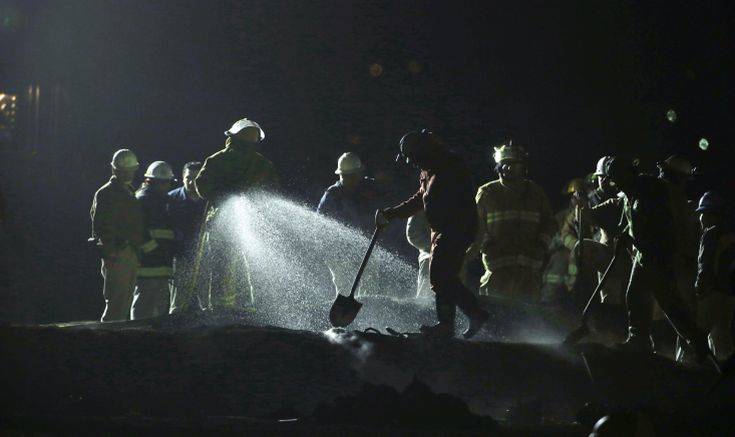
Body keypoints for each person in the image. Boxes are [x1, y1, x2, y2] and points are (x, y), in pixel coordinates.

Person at [592, 157, 709, 360]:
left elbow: (656, 225)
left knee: (669, 303)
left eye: (618, 178)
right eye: (614, 179)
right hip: (644, 255)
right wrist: (624, 233)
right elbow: (631, 218)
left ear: (628, 174)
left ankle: (699, 344)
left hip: (658, 256)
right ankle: (640, 340)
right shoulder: (632, 190)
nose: (616, 183)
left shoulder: (649, 190)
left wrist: (633, 238)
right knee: (635, 295)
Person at [376, 129, 489, 339]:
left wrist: (460, 232)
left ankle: (460, 320)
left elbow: (457, 202)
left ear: (422, 151)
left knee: (440, 275)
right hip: (443, 231)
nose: (411, 163)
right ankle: (463, 319)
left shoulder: (451, 166)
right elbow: (421, 198)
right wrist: (391, 214)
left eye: (412, 158)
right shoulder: (428, 170)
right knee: (444, 277)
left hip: (457, 228)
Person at [195, 117, 278, 309]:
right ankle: (235, 310)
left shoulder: (257, 164)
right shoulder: (258, 164)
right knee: (230, 268)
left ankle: (236, 310)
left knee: (239, 268)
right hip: (226, 225)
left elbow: (271, 193)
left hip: (243, 224)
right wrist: (227, 195)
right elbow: (203, 186)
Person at [469, 142, 556, 306]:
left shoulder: (536, 193)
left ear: (523, 167)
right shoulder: (487, 192)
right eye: (504, 164)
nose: (508, 168)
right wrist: (487, 245)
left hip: (530, 267)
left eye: (513, 164)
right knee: (495, 314)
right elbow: (475, 224)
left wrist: (541, 245)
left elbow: (550, 224)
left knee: (528, 317)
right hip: (498, 266)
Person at [90, 149, 144, 322]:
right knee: (116, 301)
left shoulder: (127, 192)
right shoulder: (107, 193)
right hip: (117, 253)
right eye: (126, 170)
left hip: (128, 251)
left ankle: (116, 339)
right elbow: (100, 226)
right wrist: (110, 253)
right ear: (115, 170)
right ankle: (108, 339)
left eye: (132, 170)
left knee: (124, 300)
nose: (130, 174)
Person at [317, 152, 382, 297]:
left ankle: (370, 312)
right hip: (338, 251)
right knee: (344, 289)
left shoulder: (369, 190)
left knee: (369, 288)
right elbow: (320, 226)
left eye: (353, 175)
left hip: (366, 247)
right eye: (346, 176)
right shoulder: (332, 195)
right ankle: (343, 316)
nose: (350, 179)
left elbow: (380, 211)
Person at [131, 161, 176, 320]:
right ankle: (138, 334)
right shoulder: (142, 199)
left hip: (162, 261)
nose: (166, 186)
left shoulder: (165, 200)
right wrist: (152, 248)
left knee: (159, 303)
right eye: (163, 182)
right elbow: (137, 229)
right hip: (148, 261)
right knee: (145, 301)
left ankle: (154, 337)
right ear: (151, 181)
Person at [694, 191, 735, 360]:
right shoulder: (731, 235)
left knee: (695, 336)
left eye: (702, 213)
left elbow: (706, 264)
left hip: (711, 293)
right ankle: (724, 376)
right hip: (729, 294)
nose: (700, 218)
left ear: (711, 214)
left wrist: (700, 288)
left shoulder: (710, 234)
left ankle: (690, 371)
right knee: (721, 337)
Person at [168, 161, 207, 314]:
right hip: (180, 256)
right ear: (182, 177)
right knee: (178, 303)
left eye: (196, 178)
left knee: (207, 301)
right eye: (188, 178)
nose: (191, 182)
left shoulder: (209, 199)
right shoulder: (172, 199)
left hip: (205, 256)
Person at [406, 211, 432, 298]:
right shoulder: (426, 201)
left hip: (456, 258)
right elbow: (412, 233)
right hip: (429, 258)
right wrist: (433, 247)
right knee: (425, 300)